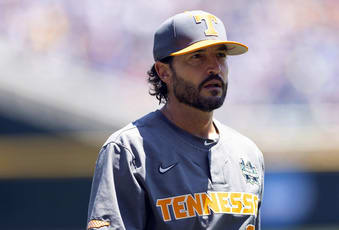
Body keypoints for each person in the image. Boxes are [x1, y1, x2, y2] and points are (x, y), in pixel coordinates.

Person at [87, 10, 264, 230]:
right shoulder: (130, 150)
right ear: (163, 72)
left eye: (220, 55)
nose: (215, 68)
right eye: (197, 56)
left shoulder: (248, 154)